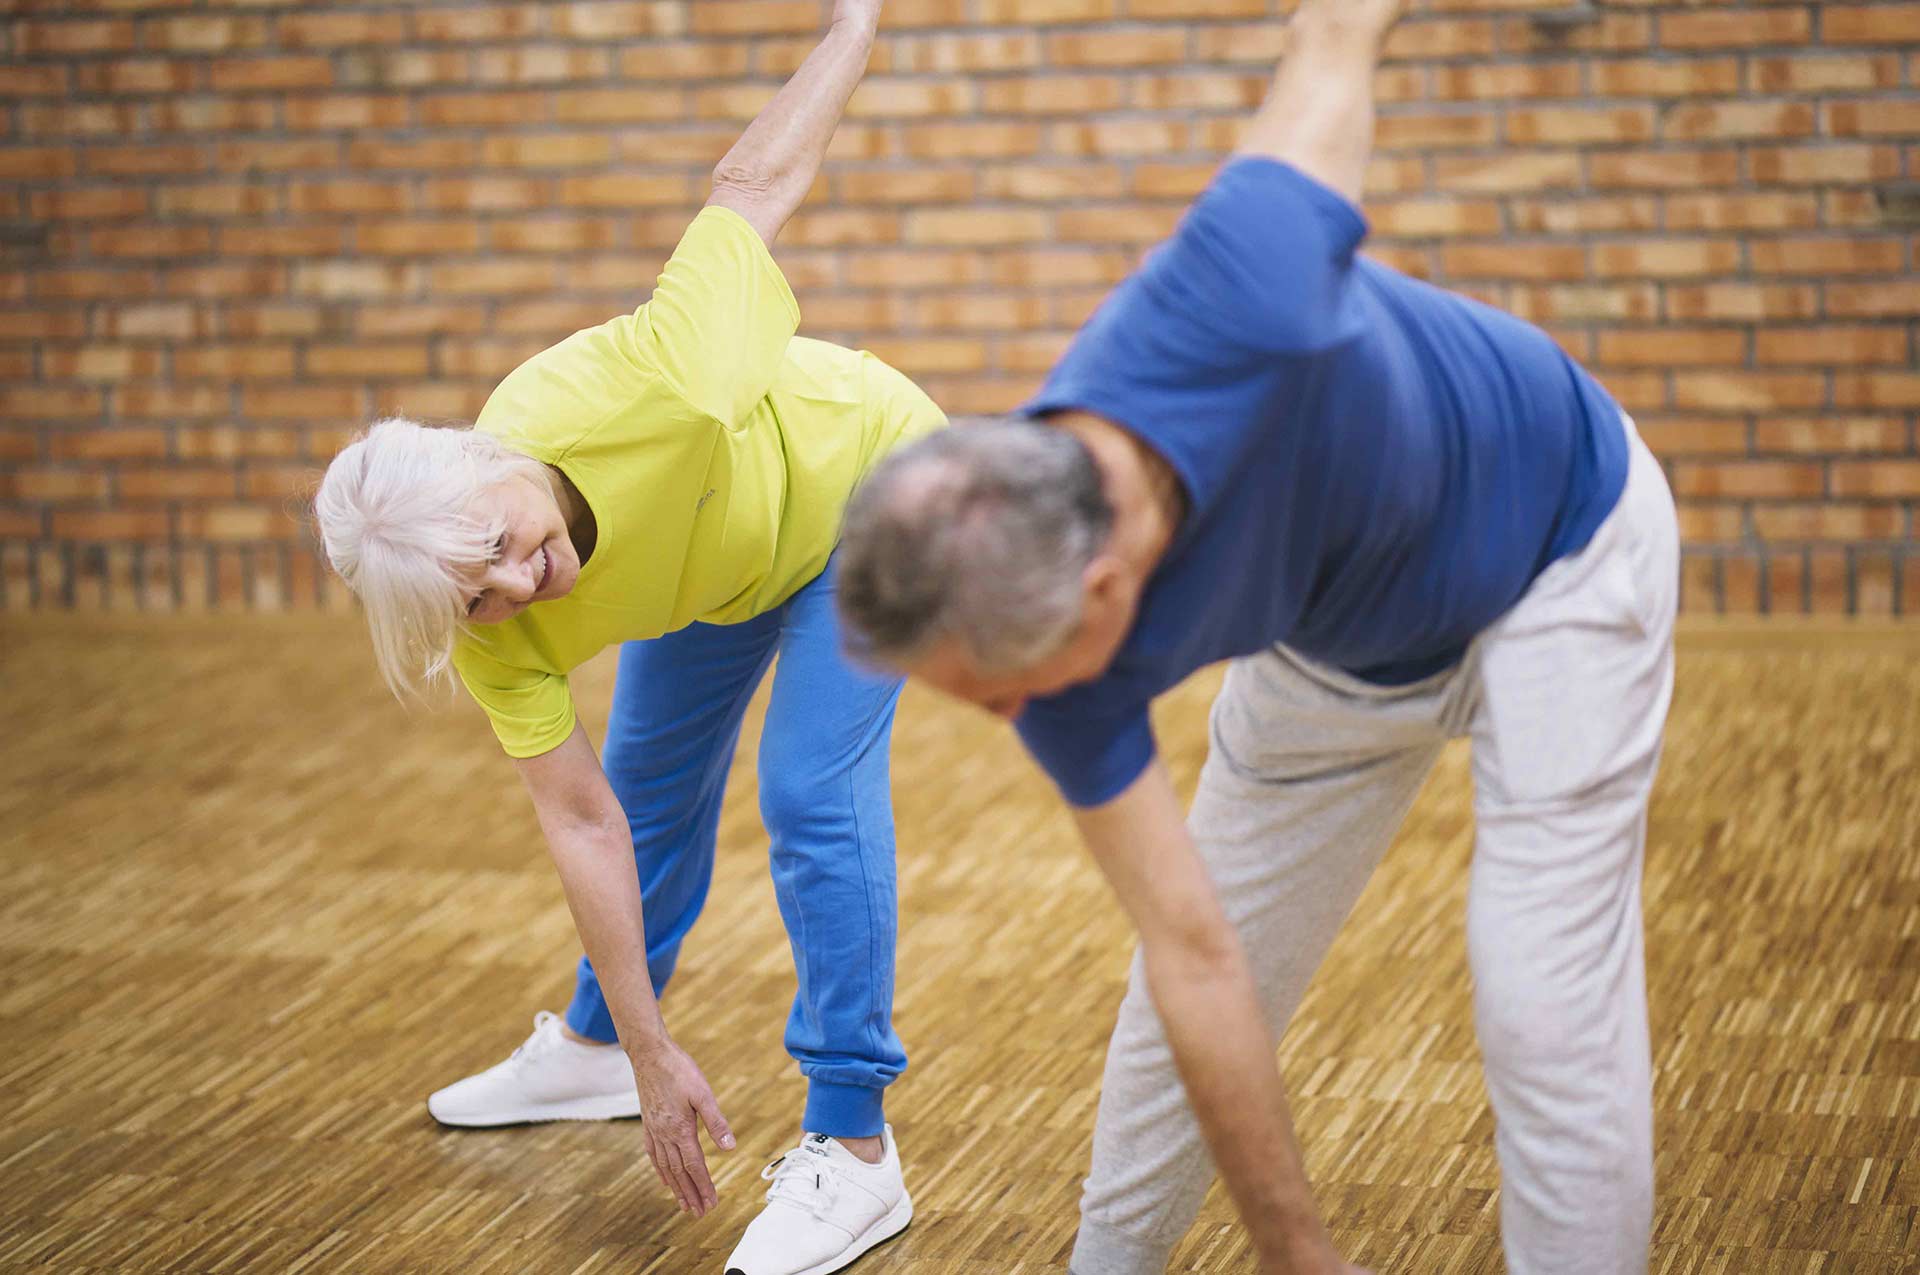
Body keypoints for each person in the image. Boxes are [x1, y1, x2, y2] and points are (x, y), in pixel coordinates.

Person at [834, 1, 1677, 1272]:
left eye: (999, 695)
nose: (1015, 723)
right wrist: (1295, 1249)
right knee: (1181, 988)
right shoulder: (1052, 650)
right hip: (1336, 638)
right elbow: (1196, 958)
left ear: (1107, 591)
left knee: (1542, 1008)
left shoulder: (1247, 282)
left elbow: (1336, 28)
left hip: (1562, 548)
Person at [314, 5, 938, 1272]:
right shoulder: (485, 624)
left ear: (490, 461)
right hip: (722, 572)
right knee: (644, 791)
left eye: (497, 537)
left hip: (870, 489)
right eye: (477, 593)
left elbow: (751, 180)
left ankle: (858, 1148)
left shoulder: (654, 375)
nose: (519, 579)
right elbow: (583, 819)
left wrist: (858, 24)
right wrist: (658, 1056)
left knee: (809, 786)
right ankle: (599, 1050)